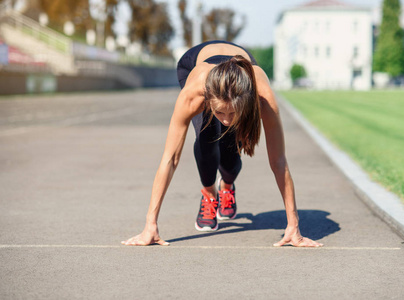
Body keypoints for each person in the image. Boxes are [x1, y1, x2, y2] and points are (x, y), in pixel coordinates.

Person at [122, 40, 323, 248]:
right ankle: (209, 194)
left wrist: (294, 226)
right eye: (220, 112)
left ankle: (226, 186)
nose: (226, 120)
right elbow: (170, 158)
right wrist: (150, 225)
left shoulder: (263, 96)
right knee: (206, 136)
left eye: (233, 113)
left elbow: (279, 162)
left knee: (230, 151)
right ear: (208, 100)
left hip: (239, 70)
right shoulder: (193, 95)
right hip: (194, 63)